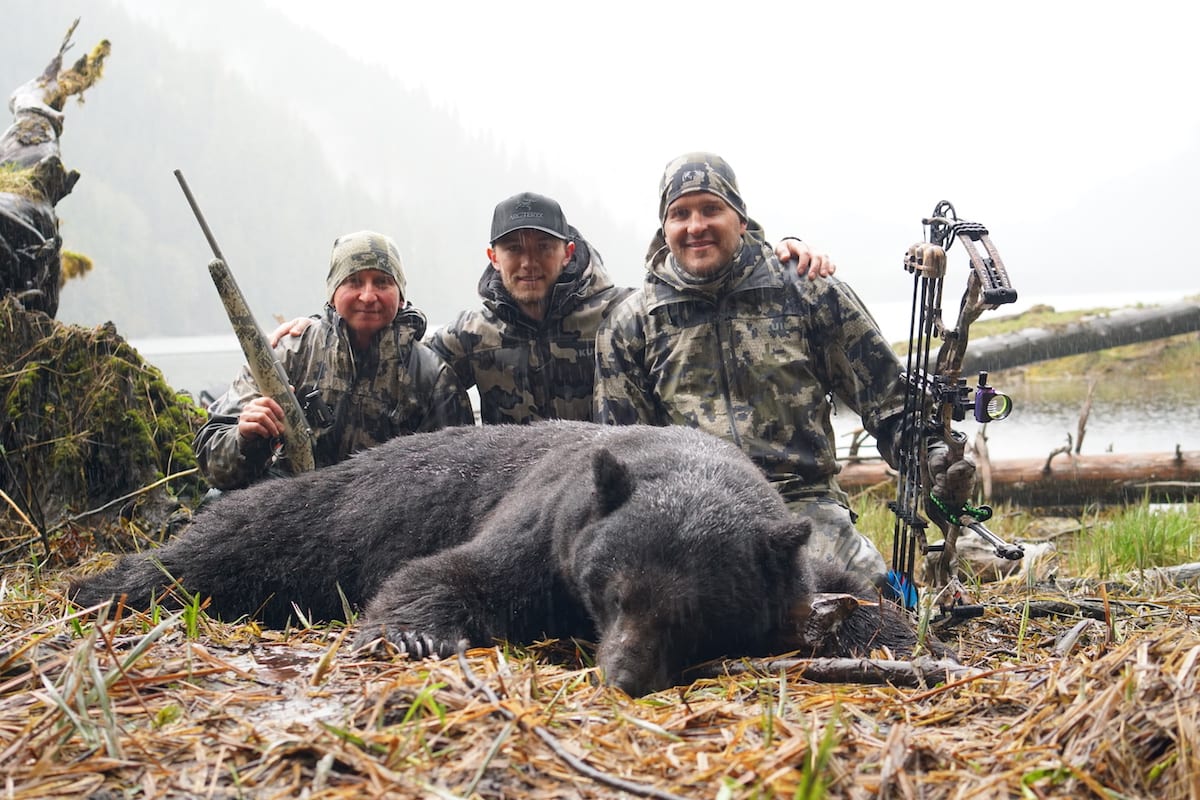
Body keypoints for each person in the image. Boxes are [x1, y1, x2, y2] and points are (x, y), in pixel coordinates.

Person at [593, 152, 975, 588]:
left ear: (740, 219)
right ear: (665, 228)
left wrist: (933, 456)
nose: (695, 226)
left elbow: (891, 403)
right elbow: (623, 455)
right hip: (689, 511)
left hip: (803, 503)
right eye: (680, 214)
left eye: (711, 209)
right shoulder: (631, 324)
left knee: (871, 604)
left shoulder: (810, 291)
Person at [274, 192, 839, 424]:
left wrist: (777, 250)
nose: (528, 262)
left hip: (608, 493)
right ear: (492, 256)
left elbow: (700, 296)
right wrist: (325, 327)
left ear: (566, 251)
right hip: (517, 498)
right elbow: (390, 342)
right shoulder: (470, 335)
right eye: (514, 249)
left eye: (542, 247)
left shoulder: (625, 316)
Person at [195, 230, 474, 490]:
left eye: (382, 282)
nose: (367, 295)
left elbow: (457, 483)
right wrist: (245, 439)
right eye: (353, 281)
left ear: (400, 296)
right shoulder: (288, 356)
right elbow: (212, 463)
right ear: (332, 293)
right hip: (290, 514)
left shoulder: (432, 378)